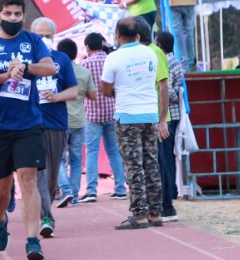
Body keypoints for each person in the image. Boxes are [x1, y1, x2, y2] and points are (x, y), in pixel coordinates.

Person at [0, 0, 58, 260]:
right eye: (7, 14)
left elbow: (51, 67)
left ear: (23, 17)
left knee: (28, 179)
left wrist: (27, 66)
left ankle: (32, 240)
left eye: (17, 14)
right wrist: (8, 74)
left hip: (29, 123)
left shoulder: (32, 41)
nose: (12, 18)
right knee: (0, 187)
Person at [101, 17, 167, 229]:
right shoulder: (151, 52)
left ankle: (139, 215)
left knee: (133, 166)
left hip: (127, 116)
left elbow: (106, 90)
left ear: (117, 35)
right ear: (138, 35)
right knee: (151, 164)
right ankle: (156, 213)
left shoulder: (113, 57)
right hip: (150, 114)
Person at [29, 18, 78, 237]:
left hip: (57, 124)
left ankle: (44, 209)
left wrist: (56, 96)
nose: (44, 39)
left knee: (51, 176)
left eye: (48, 35)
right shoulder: (25, 59)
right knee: (40, 173)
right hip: (31, 124)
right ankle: (45, 216)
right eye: (39, 36)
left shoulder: (61, 59)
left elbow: (74, 91)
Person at [79, 32, 127, 202]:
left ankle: (91, 190)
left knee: (92, 151)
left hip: (92, 113)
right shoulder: (111, 60)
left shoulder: (84, 64)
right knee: (114, 151)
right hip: (112, 111)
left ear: (88, 47)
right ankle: (121, 188)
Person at [54, 38, 95, 208]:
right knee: (77, 160)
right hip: (79, 120)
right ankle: (75, 195)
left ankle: (66, 190)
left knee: (59, 159)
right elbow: (93, 96)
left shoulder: (56, 71)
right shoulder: (84, 72)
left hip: (61, 121)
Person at [155, 31, 184, 222]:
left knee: (165, 156)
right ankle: (172, 190)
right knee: (169, 156)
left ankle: (169, 192)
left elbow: (174, 91)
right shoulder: (175, 61)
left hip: (167, 116)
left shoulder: (166, 61)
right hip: (172, 116)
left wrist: (164, 97)